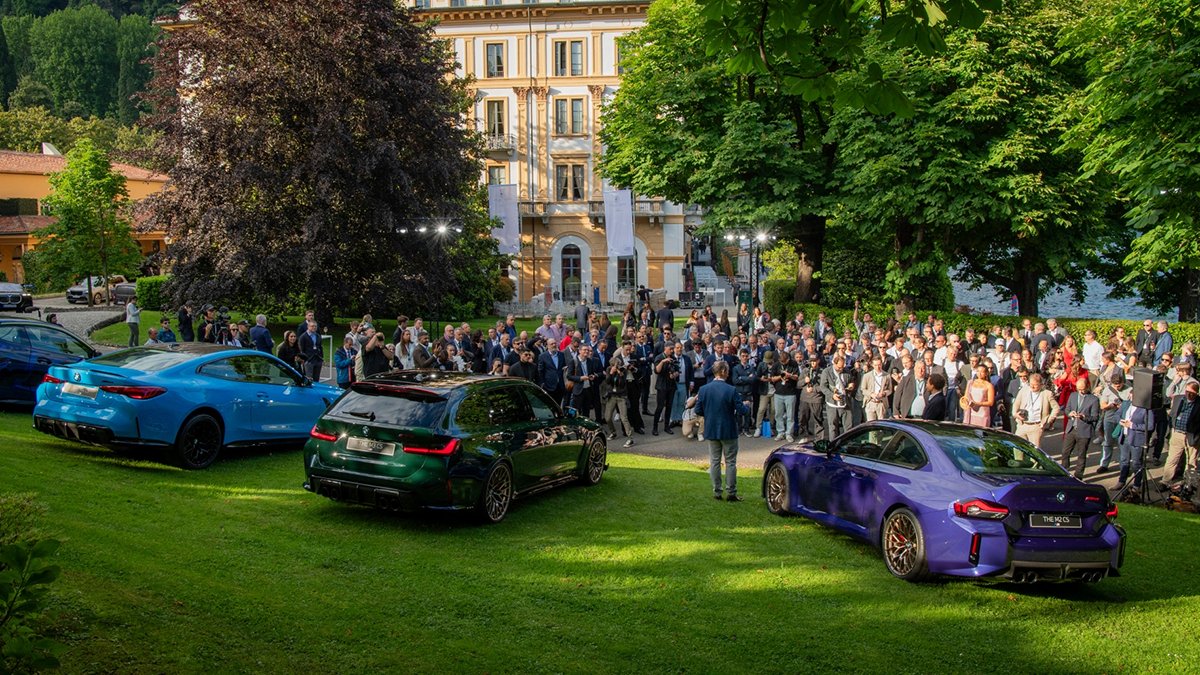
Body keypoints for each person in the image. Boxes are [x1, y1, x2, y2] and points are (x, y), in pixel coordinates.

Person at [694, 360, 751, 502]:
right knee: (730, 462)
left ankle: (717, 491)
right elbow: (742, 410)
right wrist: (747, 405)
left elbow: (698, 410)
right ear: (724, 372)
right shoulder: (731, 390)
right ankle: (731, 492)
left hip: (712, 428)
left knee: (714, 461)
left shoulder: (704, 389)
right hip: (728, 429)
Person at [1060, 377, 1100, 479]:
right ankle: (1064, 471)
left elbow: (1095, 417)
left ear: (1087, 386)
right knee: (1065, 452)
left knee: (1081, 455)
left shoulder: (1094, 399)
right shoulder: (1073, 395)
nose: (1081, 391)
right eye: (1078, 389)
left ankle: (1078, 476)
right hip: (1071, 428)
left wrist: (1084, 417)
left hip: (1084, 431)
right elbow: (1067, 409)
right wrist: (1070, 413)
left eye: (1082, 389)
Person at [1162, 381, 1200, 487]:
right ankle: (1165, 481)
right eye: (1187, 391)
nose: (1188, 394)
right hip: (1177, 433)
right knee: (1172, 459)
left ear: (1196, 393)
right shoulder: (1179, 399)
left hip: (1192, 435)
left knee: (1191, 461)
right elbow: (1173, 414)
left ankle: (1189, 483)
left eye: (1192, 392)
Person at [1012, 373, 1060, 451]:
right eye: (1031, 384)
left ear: (1041, 385)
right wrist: (1015, 413)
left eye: (1035, 385)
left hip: (1036, 426)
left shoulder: (1047, 394)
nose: (1032, 386)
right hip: (1022, 424)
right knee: (1018, 449)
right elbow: (1016, 403)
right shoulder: (1024, 390)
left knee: (1035, 451)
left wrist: (1048, 420)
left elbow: (1056, 408)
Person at [1115, 399, 1154, 496]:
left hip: (1137, 439)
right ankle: (1121, 481)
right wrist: (1120, 421)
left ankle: (1137, 485)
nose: (1131, 399)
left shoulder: (1146, 409)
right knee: (1124, 461)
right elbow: (1116, 415)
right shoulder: (1126, 404)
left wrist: (1132, 425)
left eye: (1133, 397)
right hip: (1124, 437)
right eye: (1130, 397)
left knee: (1137, 463)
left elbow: (1150, 426)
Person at [601, 348, 635, 447]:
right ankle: (613, 432)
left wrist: (620, 375)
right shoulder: (608, 370)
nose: (616, 367)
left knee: (624, 418)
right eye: (614, 365)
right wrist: (611, 373)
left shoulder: (623, 371)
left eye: (617, 365)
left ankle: (630, 438)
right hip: (612, 396)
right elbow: (607, 382)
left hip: (621, 396)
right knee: (607, 417)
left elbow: (623, 384)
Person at [1096, 371, 1127, 473]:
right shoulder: (1107, 390)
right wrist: (1110, 406)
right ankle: (1104, 464)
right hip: (1109, 418)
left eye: (1119, 385)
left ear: (1123, 382)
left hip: (1123, 420)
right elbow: (1102, 406)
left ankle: (1123, 465)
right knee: (1108, 442)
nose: (1117, 388)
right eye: (1115, 386)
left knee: (1121, 443)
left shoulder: (1129, 390)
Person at [652, 342, 685, 435]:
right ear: (665, 348)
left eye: (672, 349)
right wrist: (663, 361)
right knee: (660, 407)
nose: (671, 351)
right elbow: (657, 370)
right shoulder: (659, 357)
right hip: (662, 386)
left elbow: (677, 371)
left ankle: (666, 427)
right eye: (670, 349)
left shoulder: (673, 358)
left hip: (671, 386)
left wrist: (674, 374)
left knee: (669, 407)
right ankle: (655, 428)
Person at [821, 355, 854, 440]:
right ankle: (833, 444)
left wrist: (851, 385)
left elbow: (851, 381)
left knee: (848, 427)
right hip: (832, 405)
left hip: (845, 403)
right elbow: (823, 387)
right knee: (833, 428)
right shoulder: (826, 372)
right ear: (834, 364)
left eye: (843, 367)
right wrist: (832, 395)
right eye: (839, 367)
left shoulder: (847, 371)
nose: (841, 369)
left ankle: (848, 444)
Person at [568, 343, 602, 423]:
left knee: (586, 411)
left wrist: (593, 376)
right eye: (584, 350)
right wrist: (580, 378)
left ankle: (585, 426)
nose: (587, 351)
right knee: (577, 411)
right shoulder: (573, 361)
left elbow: (592, 372)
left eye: (587, 350)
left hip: (588, 389)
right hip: (578, 390)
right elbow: (569, 376)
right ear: (579, 351)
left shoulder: (589, 361)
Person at [859, 356, 891, 423]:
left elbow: (890, 389)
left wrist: (884, 393)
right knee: (871, 425)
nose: (878, 367)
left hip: (881, 403)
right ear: (872, 365)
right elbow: (863, 389)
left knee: (882, 425)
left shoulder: (887, 375)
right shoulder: (867, 376)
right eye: (876, 365)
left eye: (879, 364)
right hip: (871, 402)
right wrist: (871, 394)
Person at [753, 350, 776, 437]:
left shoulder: (776, 365)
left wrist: (773, 379)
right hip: (764, 390)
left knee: (773, 410)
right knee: (762, 409)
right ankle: (758, 427)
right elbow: (757, 376)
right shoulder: (761, 365)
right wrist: (761, 379)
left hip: (774, 390)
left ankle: (770, 426)